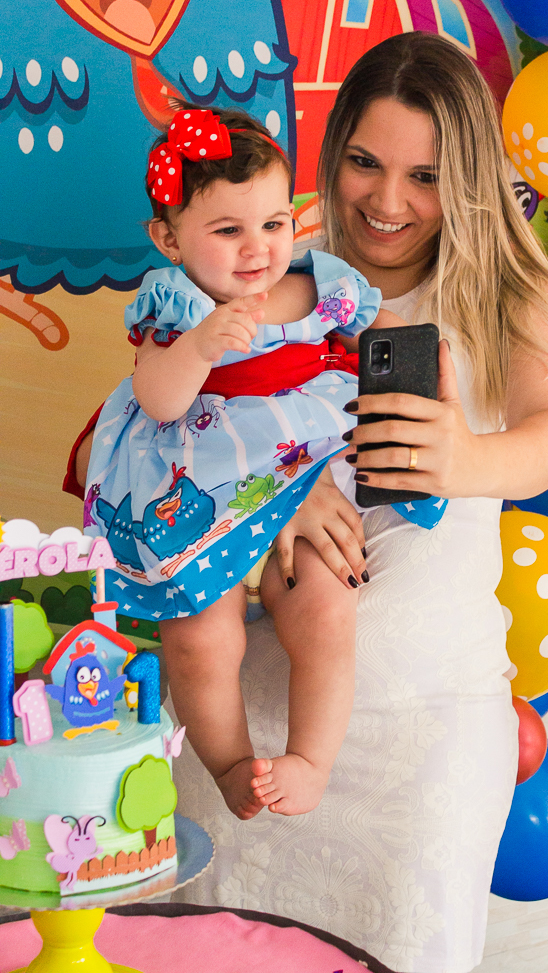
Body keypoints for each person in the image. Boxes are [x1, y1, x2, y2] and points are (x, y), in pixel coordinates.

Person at [170, 33, 548, 973]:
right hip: (248, 733)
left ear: (469, 178)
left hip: (424, 742)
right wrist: (271, 486)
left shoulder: (508, 293)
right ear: (333, 154)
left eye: (424, 176)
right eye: (364, 162)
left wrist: (463, 456)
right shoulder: (268, 271)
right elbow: (160, 438)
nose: (386, 202)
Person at [80, 102, 418, 821]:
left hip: (303, 468)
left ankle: (311, 759)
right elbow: (159, 399)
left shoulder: (319, 283)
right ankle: (230, 761)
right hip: (196, 477)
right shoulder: (174, 303)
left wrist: (418, 370)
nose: (256, 248)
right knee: (200, 633)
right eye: (226, 230)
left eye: (271, 224)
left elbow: (379, 334)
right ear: (168, 238)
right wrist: (198, 346)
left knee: (325, 606)